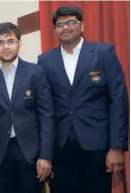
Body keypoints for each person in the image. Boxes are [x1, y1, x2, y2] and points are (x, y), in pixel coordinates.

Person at [37, 5, 128, 193]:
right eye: (60, 24)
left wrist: (117, 147)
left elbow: (118, 100)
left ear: (82, 26)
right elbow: (45, 109)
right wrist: (46, 153)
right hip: (60, 148)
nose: (65, 27)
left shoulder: (103, 53)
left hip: (97, 146)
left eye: (71, 22)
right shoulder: (44, 61)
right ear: (55, 30)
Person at [0, 22, 55, 193]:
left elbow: (46, 116)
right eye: (1, 42)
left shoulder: (36, 72)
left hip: (31, 155)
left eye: (11, 41)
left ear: (19, 43)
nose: (6, 47)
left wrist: (46, 155)